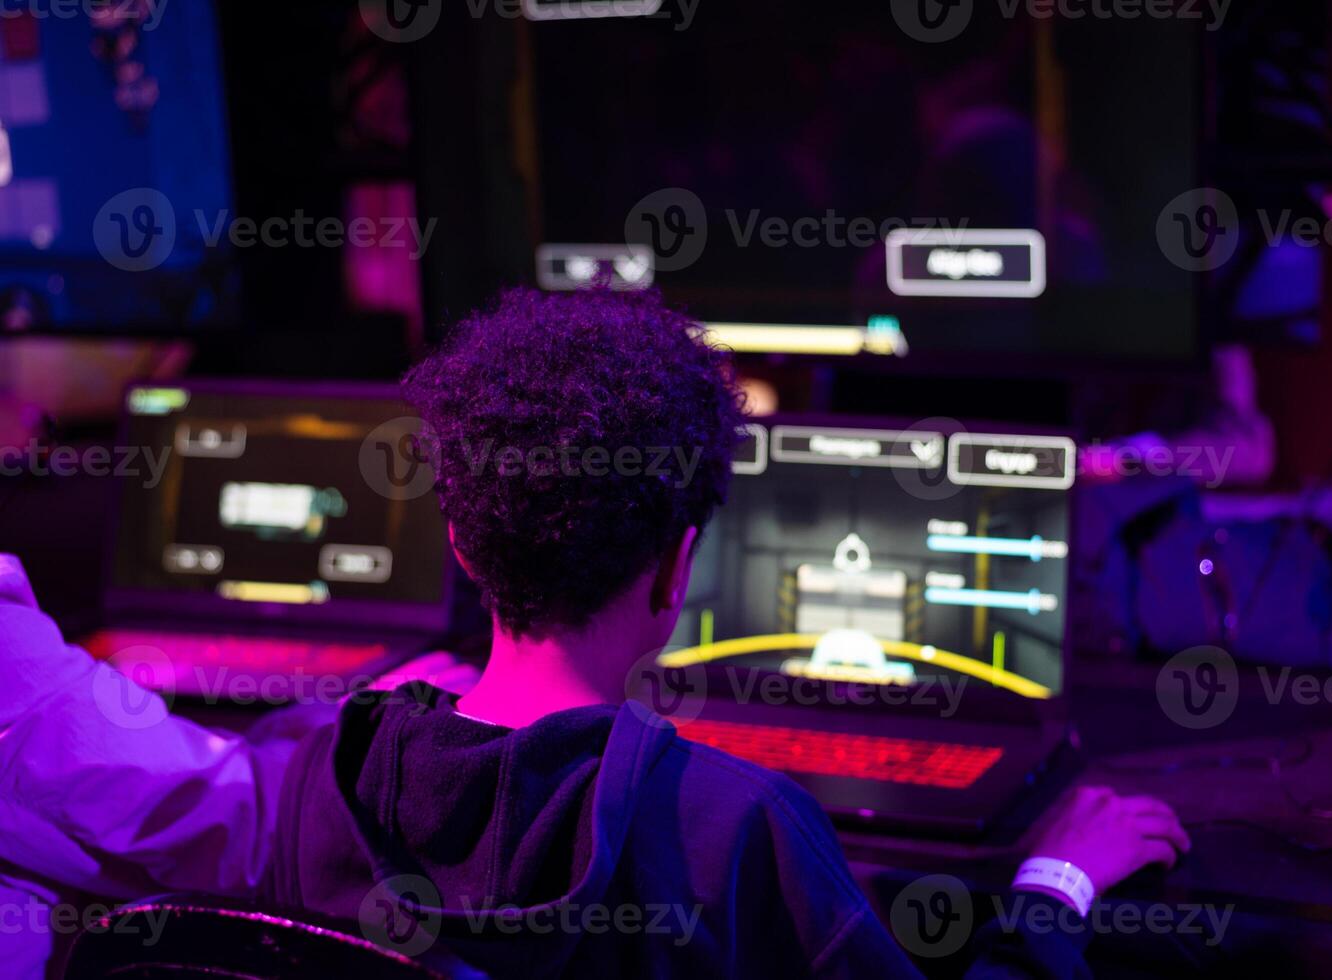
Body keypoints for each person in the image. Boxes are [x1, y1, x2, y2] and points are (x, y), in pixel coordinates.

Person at [0, 287, 1189, 978]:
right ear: (677, 567)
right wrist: (1055, 883)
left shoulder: (326, 781)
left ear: (462, 542)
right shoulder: (740, 826)